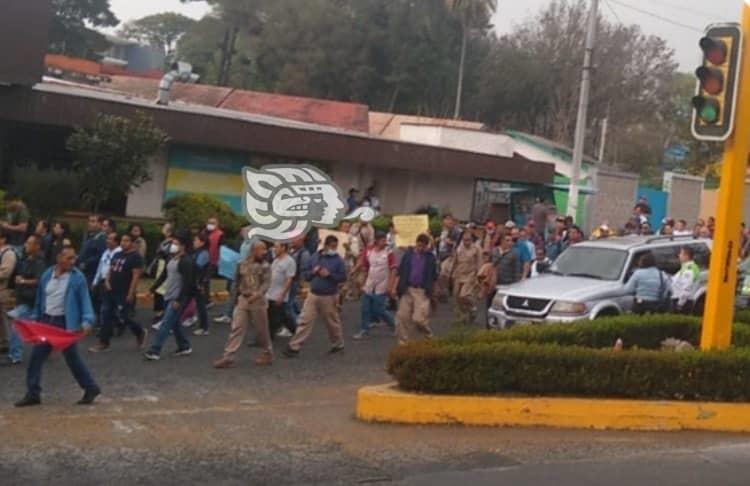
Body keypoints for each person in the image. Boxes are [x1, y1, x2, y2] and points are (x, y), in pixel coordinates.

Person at [15, 246, 101, 407]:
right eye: (69, 258)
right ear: (59, 258)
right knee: (36, 357)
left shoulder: (77, 278)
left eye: (74, 258)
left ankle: (90, 387)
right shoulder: (47, 275)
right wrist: (35, 319)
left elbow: (85, 300)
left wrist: (87, 320)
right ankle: (33, 393)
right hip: (47, 322)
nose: (73, 261)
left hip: (64, 323)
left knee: (71, 358)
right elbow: (41, 299)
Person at [284, 235, 347, 357]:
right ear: (326, 245)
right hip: (313, 294)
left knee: (332, 322)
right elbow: (305, 275)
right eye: (332, 246)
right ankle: (294, 347)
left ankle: (338, 344)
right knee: (304, 320)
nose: (334, 249)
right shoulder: (315, 257)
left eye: (335, 246)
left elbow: (342, 277)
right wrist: (314, 272)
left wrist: (329, 275)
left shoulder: (338, 260)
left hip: (329, 295)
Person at [214, 240, 273, 368]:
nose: (264, 252)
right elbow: (236, 282)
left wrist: (257, 295)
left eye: (265, 249)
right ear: (253, 250)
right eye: (261, 249)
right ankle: (228, 356)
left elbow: (266, 283)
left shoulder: (265, 266)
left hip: (258, 301)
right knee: (237, 327)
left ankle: (267, 352)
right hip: (243, 299)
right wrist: (234, 299)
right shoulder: (241, 264)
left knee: (261, 330)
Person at [89, 234, 146, 352]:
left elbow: (136, 277)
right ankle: (104, 342)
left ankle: (139, 331)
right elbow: (110, 269)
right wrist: (107, 281)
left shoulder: (135, 257)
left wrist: (131, 293)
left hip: (123, 292)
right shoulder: (117, 254)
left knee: (124, 317)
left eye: (127, 240)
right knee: (106, 314)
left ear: (132, 243)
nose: (124, 243)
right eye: (122, 240)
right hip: (110, 290)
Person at [143, 232, 194, 361]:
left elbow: (188, 283)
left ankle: (155, 350)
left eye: (176, 243)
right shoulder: (172, 259)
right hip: (169, 295)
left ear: (183, 246)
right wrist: (152, 289)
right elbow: (164, 276)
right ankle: (184, 346)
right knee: (174, 323)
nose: (173, 246)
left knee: (165, 323)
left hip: (177, 298)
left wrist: (179, 299)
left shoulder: (186, 262)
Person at [5, 235, 46, 366]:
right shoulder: (25, 260)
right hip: (22, 298)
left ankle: (15, 355)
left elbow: (40, 280)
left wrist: (23, 281)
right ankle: (45, 347)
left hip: (30, 300)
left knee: (17, 325)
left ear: (37, 246)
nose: (25, 245)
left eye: (29, 243)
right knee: (28, 327)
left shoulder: (40, 262)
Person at [392, 234, 437, 345]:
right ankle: (403, 342)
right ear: (416, 243)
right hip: (407, 289)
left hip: (422, 291)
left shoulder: (430, 258)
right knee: (402, 317)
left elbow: (434, 276)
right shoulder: (408, 255)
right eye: (419, 245)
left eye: (423, 246)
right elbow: (400, 272)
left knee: (419, 319)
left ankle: (428, 335)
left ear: (426, 246)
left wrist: (434, 292)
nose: (420, 248)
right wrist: (394, 288)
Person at [351, 231, 397, 340]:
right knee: (365, 308)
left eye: (385, 240)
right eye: (382, 240)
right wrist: (355, 271)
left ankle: (394, 325)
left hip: (382, 284)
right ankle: (364, 329)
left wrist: (391, 285)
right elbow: (364, 264)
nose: (384, 242)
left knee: (379, 309)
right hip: (370, 283)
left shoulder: (389, 252)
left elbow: (393, 269)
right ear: (376, 240)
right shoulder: (369, 250)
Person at [266, 242, 297, 338]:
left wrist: (282, 295)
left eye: (276, 247)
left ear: (283, 248)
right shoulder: (276, 260)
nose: (274, 249)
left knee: (282, 317)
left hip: (279, 294)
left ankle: (296, 331)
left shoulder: (289, 261)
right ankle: (268, 337)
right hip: (270, 293)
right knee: (271, 316)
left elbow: (289, 279)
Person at [451, 231, 482, 321]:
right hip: (459, 274)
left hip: (470, 275)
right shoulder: (459, 248)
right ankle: (466, 314)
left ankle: (473, 307)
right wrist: (452, 274)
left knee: (464, 295)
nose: (466, 242)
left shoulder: (476, 248)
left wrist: (478, 277)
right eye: (464, 240)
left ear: (471, 240)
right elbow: (454, 261)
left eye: (468, 240)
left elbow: (480, 263)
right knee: (457, 297)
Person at [0, 229, 19, 353]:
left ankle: (8, 342)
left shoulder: (9, 253)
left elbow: (5, 272)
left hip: (4, 289)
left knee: (3, 316)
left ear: (3, 238)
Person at [287, 234, 311, 329]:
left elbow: (304, 270)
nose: (292, 241)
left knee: (289, 305)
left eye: (294, 239)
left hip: (295, 282)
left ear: (301, 240)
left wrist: (302, 285)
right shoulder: (293, 251)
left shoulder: (304, 254)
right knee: (293, 304)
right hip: (291, 281)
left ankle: (296, 326)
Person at [191, 233, 212, 336]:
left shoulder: (204, 253)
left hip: (199, 283)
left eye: (196, 240)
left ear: (202, 242)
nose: (194, 242)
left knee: (201, 306)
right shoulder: (197, 252)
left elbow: (197, 267)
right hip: (194, 282)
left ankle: (204, 327)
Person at [78, 215, 107, 288]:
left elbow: (101, 255)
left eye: (93, 221)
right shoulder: (89, 236)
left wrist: (86, 263)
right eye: (89, 221)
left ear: (100, 224)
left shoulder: (102, 238)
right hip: (83, 272)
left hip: (92, 273)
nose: (90, 223)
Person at [671, 247, 701, 313]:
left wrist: (679, 304)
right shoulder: (685, 267)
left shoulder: (689, 269)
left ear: (686, 256)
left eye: (681, 253)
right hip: (682, 300)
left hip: (683, 302)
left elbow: (686, 288)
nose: (679, 255)